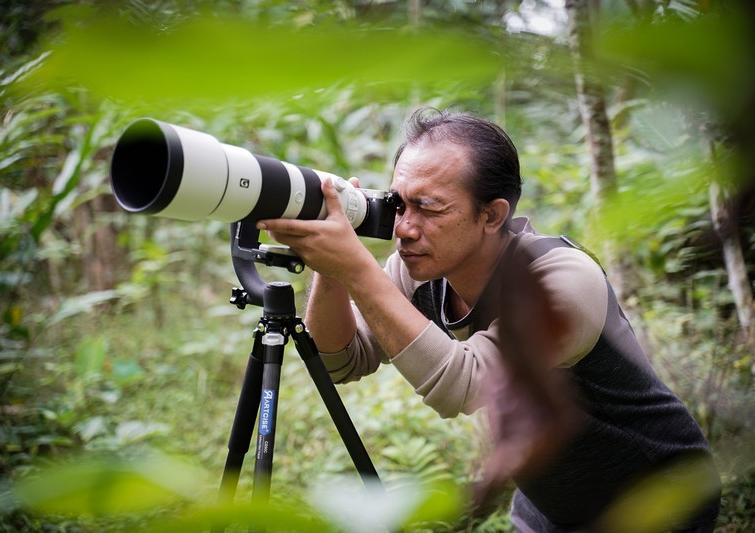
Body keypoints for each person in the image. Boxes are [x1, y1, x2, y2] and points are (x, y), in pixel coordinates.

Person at [256, 108, 721, 532]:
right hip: (547, 507)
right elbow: (339, 360)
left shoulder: (561, 281)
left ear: (492, 215)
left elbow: (465, 384)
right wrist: (331, 267)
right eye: (400, 204)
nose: (404, 228)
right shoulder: (418, 268)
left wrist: (355, 266)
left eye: (430, 207)